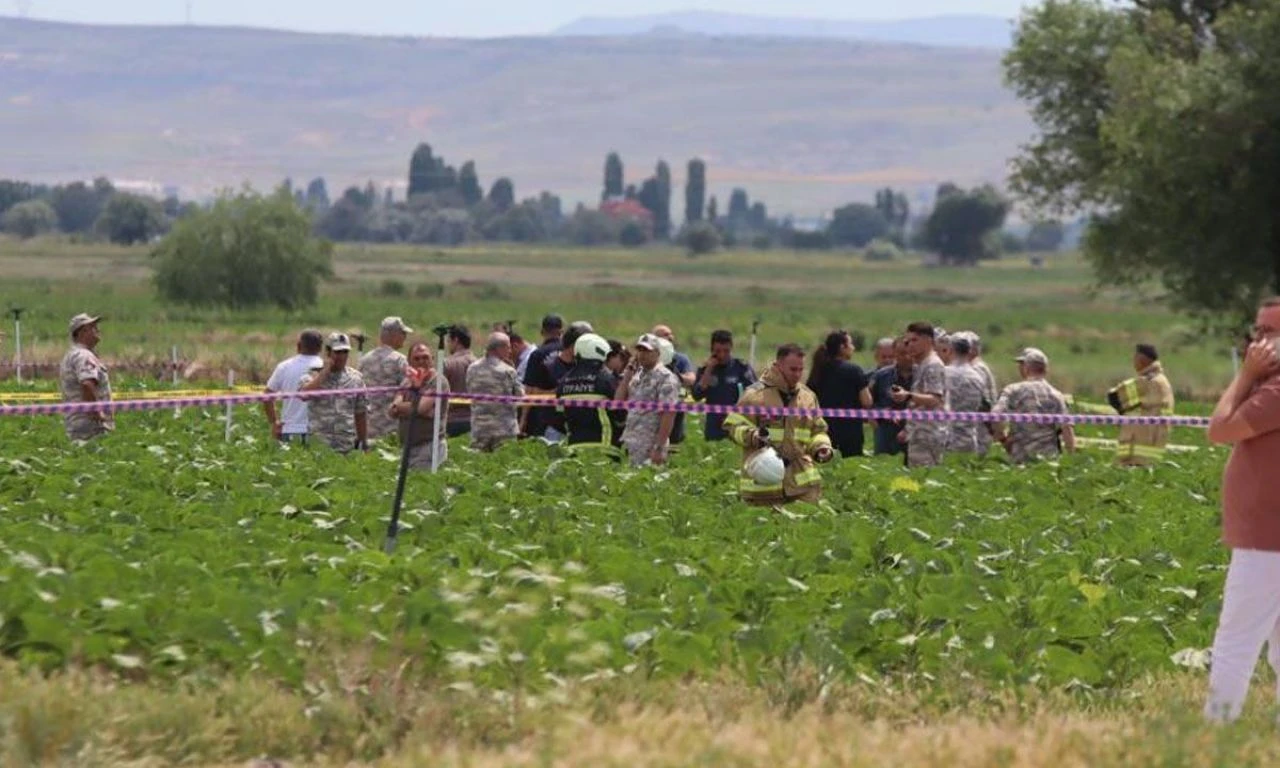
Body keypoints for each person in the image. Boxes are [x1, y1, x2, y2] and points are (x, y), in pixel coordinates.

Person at [1202, 297, 1280, 723]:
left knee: (1235, 642)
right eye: (1258, 330)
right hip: (1269, 538)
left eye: (1269, 332)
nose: (1258, 341)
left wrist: (1246, 374)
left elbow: (1219, 429)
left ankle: (1216, 728)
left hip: (1267, 543)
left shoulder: (1276, 391)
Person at [724, 344, 834, 506]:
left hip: (802, 486)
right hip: (764, 485)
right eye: (792, 369)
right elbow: (732, 427)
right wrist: (753, 436)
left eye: (800, 369)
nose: (797, 375)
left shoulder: (808, 397)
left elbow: (817, 430)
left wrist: (822, 447)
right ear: (778, 365)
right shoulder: (754, 395)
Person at [990, 348, 1075, 464]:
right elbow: (1067, 429)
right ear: (1045, 369)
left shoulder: (1013, 390)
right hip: (1049, 460)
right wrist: (1071, 458)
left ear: (1026, 368)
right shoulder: (1056, 395)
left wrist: (1002, 438)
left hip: (1019, 456)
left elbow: (995, 415)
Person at [554, 332, 625, 457]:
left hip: (574, 447)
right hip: (604, 446)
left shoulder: (564, 382)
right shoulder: (606, 380)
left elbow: (559, 416)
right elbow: (620, 413)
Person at [617, 333, 681, 467]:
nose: (642, 354)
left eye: (646, 350)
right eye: (639, 350)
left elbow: (668, 414)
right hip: (631, 443)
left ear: (657, 353)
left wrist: (659, 447)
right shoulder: (637, 376)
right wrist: (627, 375)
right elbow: (618, 401)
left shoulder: (666, 378)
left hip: (650, 445)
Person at [805, 330, 872, 458]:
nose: (853, 347)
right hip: (850, 433)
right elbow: (867, 401)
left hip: (822, 432)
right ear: (842, 347)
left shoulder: (818, 370)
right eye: (850, 344)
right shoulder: (854, 370)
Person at [299, 332, 368, 454]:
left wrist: (363, 443)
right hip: (319, 445)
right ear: (328, 352)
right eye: (337, 352)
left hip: (346, 445)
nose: (341, 356)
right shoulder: (313, 374)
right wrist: (324, 372)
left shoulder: (356, 379)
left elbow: (360, 413)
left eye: (345, 352)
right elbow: (304, 394)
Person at [1109, 343, 1175, 466]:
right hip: (1153, 441)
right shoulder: (1162, 381)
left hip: (1139, 445)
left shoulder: (1148, 381)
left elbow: (1114, 397)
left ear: (1142, 360)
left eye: (1135, 358)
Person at [893, 322, 948, 468]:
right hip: (919, 432)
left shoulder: (933, 365)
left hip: (928, 434)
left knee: (924, 479)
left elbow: (935, 399)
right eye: (907, 341)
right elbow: (921, 400)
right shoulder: (921, 364)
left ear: (928, 341)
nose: (910, 345)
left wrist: (908, 396)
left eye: (914, 340)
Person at [390, 342, 450, 469]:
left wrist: (401, 407)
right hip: (407, 448)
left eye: (425, 357)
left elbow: (420, 408)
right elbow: (391, 410)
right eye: (416, 358)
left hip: (428, 447)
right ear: (409, 361)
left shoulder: (438, 382)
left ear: (432, 359)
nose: (421, 361)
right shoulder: (407, 382)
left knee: (423, 484)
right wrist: (406, 408)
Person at [692, 329, 758, 442]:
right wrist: (709, 370)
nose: (722, 355)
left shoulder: (741, 367)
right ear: (712, 350)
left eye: (726, 351)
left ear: (731, 348)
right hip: (713, 426)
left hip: (737, 424)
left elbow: (755, 393)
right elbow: (697, 395)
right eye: (718, 351)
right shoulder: (705, 370)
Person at [465, 332, 523, 452]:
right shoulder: (508, 371)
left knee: (479, 467)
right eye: (508, 347)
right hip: (504, 430)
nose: (510, 351)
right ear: (499, 348)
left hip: (480, 429)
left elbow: (469, 389)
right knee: (505, 465)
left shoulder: (472, 368)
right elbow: (520, 395)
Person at [264, 329, 325, 445]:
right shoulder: (326, 369)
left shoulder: (284, 367)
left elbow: (268, 395)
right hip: (319, 432)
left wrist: (274, 422)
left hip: (290, 429)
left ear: (298, 346)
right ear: (320, 348)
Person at [357, 316, 412, 442]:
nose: (405, 337)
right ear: (394, 335)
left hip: (368, 427)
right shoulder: (399, 360)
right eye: (403, 333)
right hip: (391, 428)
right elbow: (407, 390)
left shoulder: (364, 360)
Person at [60, 313, 113, 441]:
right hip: (90, 427)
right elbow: (87, 384)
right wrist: (97, 413)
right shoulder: (84, 356)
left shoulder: (73, 354)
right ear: (82, 332)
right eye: (93, 327)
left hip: (78, 422)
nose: (97, 330)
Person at [945, 336, 991, 456]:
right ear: (969, 352)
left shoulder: (944, 373)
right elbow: (985, 406)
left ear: (950, 350)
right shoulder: (977, 377)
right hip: (969, 439)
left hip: (946, 439)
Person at [520, 314, 565, 438]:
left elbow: (529, 390)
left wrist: (523, 419)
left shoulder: (537, 354)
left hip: (544, 415)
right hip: (569, 412)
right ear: (561, 331)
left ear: (542, 332)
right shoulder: (569, 352)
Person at [870, 336, 913, 457]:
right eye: (901, 353)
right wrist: (881, 412)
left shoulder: (922, 376)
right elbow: (869, 404)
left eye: (908, 353)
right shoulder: (881, 376)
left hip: (915, 434)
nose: (906, 357)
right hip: (885, 433)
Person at [651, 324, 694, 446]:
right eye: (665, 334)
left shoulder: (680, 359)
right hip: (652, 410)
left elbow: (691, 379)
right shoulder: (648, 358)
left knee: (675, 444)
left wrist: (678, 376)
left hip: (676, 408)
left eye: (671, 334)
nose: (670, 337)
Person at [442, 325, 477, 438]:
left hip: (451, 420)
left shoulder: (447, 363)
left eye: (449, 341)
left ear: (456, 340)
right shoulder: (478, 363)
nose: (448, 345)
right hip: (474, 420)